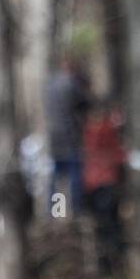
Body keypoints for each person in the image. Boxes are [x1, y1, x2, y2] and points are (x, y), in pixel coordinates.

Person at [82, 100, 127, 275]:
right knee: (110, 225)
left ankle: (105, 263)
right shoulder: (105, 130)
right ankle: (112, 262)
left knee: (102, 225)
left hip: (92, 183)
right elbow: (117, 153)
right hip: (105, 182)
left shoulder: (88, 131)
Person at [46, 54, 89, 214]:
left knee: (56, 175)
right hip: (69, 136)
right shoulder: (71, 84)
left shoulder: (50, 84)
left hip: (54, 137)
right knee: (74, 173)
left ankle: (54, 211)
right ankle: (77, 209)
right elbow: (85, 103)